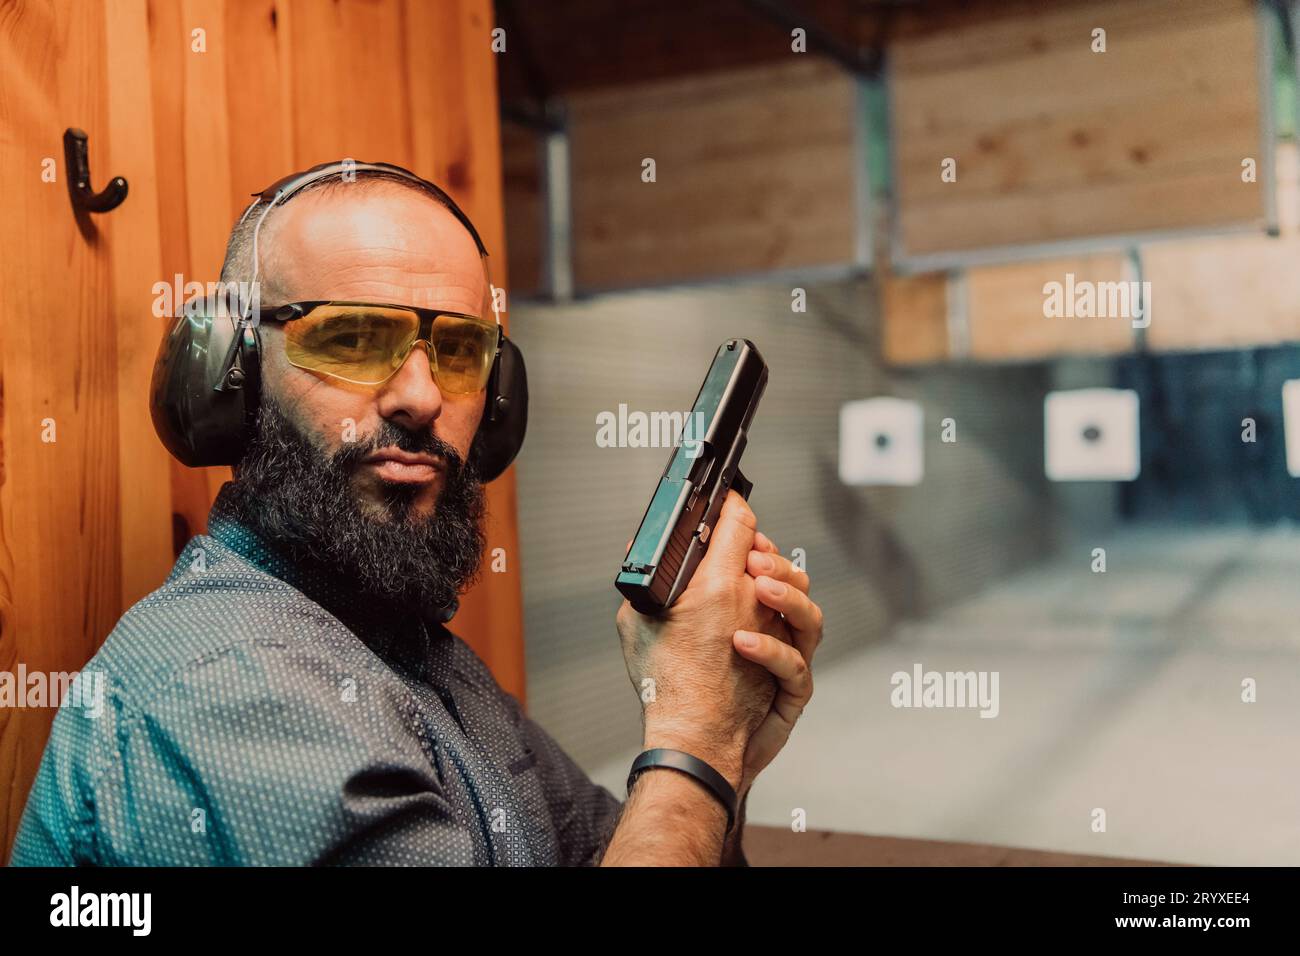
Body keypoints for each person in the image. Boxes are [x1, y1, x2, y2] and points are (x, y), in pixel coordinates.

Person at [9, 164, 821, 866]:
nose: (422, 397)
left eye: (462, 352)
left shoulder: (409, 650)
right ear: (230, 371)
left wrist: (724, 742)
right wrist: (694, 742)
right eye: (354, 339)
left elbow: (614, 846)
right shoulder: (231, 682)